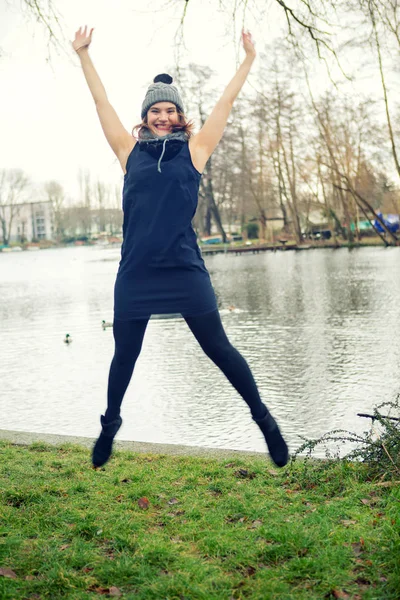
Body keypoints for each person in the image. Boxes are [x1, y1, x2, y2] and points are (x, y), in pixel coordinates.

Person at [72, 26, 289, 469]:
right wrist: (84, 55)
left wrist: (248, 59)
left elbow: (226, 103)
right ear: (146, 115)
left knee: (220, 349)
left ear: (181, 116)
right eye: (157, 110)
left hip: (184, 269)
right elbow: (102, 103)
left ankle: (265, 420)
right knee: (125, 356)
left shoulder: (195, 151)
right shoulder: (128, 151)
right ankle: (110, 423)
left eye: (171, 110)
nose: (164, 116)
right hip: (135, 273)